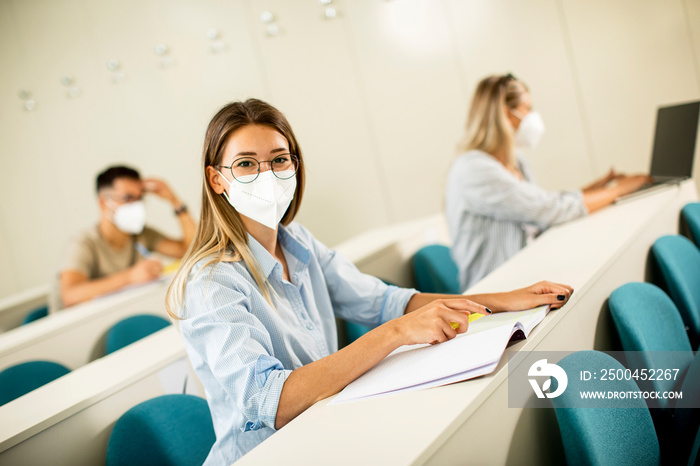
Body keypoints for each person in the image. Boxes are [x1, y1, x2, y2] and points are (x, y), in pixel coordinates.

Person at [165, 98, 574, 464]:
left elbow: (380, 302)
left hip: (328, 434)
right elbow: (273, 402)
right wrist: (395, 334)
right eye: (246, 164)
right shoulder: (211, 283)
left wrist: (500, 300)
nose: (267, 174)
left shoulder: (296, 242)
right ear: (217, 179)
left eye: (279, 160)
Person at [446, 73, 651, 292]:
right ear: (506, 114)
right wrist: (620, 189)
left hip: (525, 275)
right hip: (494, 292)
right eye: (528, 108)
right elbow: (548, 210)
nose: (533, 116)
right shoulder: (475, 170)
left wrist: (596, 189)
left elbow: (540, 206)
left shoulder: (517, 162)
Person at [58, 165, 195, 308]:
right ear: (104, 203)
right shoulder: (83, 244)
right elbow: (70, 295)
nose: (136, 205)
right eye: (128, 198)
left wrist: (175, 201)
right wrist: (130, 277)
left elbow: (190, 250)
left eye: (140, 198)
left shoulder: (141, 234)